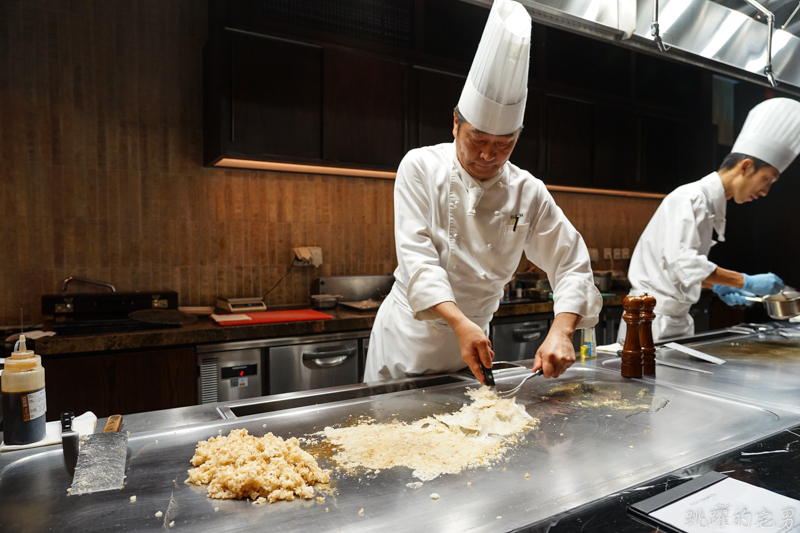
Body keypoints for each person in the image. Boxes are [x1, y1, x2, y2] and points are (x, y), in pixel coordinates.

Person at [364, 0, 602, 384]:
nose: (489, 154)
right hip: (407, 343)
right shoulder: (420, 167)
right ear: (456, 123)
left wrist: (562, 328)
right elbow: (419, 263)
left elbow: (570, 260)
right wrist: (461, 324)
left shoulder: (528, 191)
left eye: (505, 143)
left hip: (473, 346)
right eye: (478, 139)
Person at [618, 97, 800, 343]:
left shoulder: (711, 204)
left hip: (675, 319)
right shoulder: (691, 198)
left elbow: (677, 270)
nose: (766, 191)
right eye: (769, 179)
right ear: (745, 166)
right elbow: (683, 262)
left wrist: (717, 285)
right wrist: (744, 281)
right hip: (650, 320)